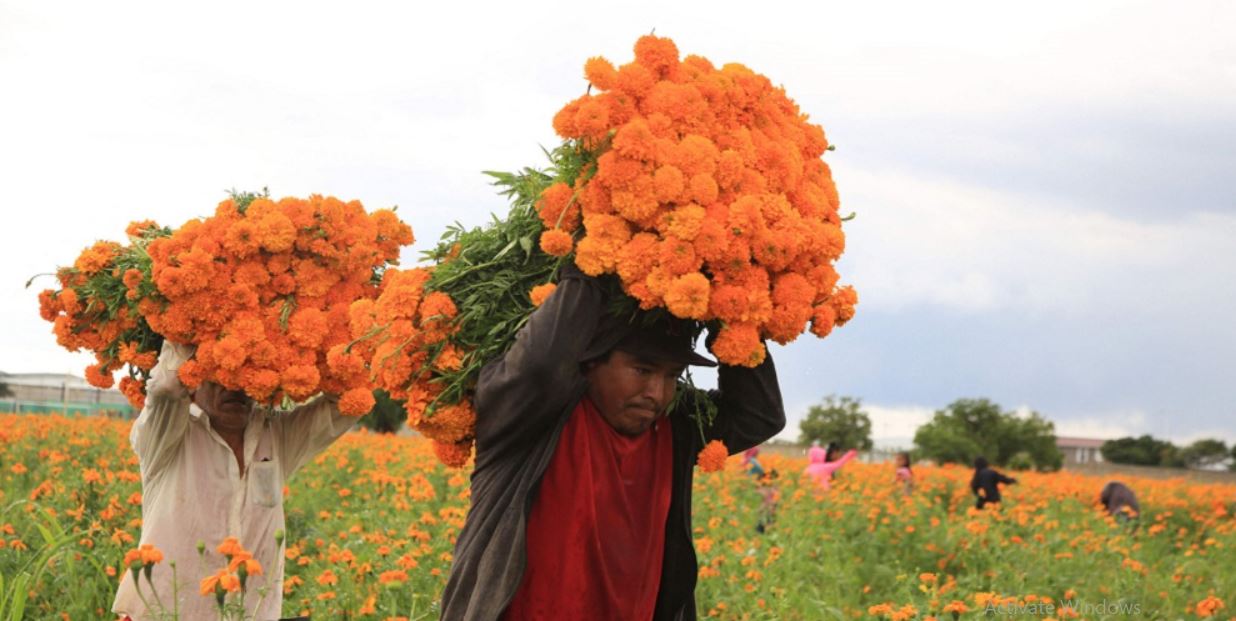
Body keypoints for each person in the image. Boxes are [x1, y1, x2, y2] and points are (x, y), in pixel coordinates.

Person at [439, 267, 785, 621]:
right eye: (642, 370)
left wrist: (729, 316)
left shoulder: (674, 428)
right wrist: (588, 267)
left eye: (671, 376)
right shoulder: (529, 418)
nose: (657, 393)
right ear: (590, 361)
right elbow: (540, 367)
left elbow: (759, 416)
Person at [112, 342, 355, 621]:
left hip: (249, 613)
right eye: (221, 376)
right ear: (194, 381)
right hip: (166, 612)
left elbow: (349, 403)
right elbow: (166, 388)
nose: (235, 387)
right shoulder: (166, 436)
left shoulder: (277, 436)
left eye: (246, 375)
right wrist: (188, 330)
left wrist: (313, 356)